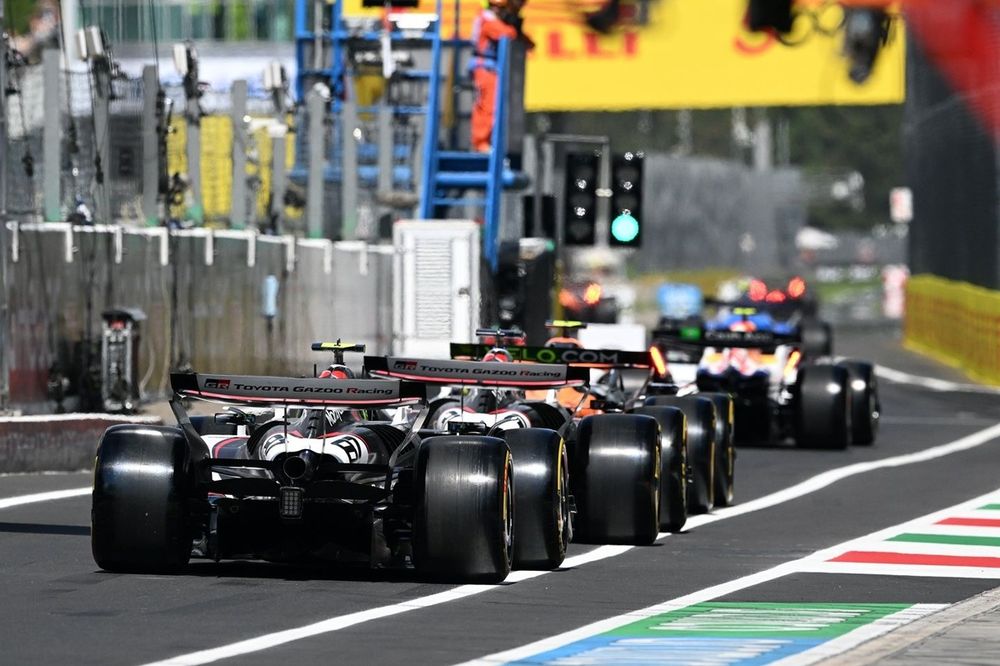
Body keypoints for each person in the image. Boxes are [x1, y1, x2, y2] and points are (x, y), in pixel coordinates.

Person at [469, 0, 533, 152]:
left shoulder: (494, 19)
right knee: (487, 105)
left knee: (497, 106)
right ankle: (480, 142)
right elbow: (508, 33)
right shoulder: (488, 20)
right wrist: (514, 25)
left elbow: (526, 42)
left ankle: (490, 141)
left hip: (494, 68)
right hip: (485, 68)